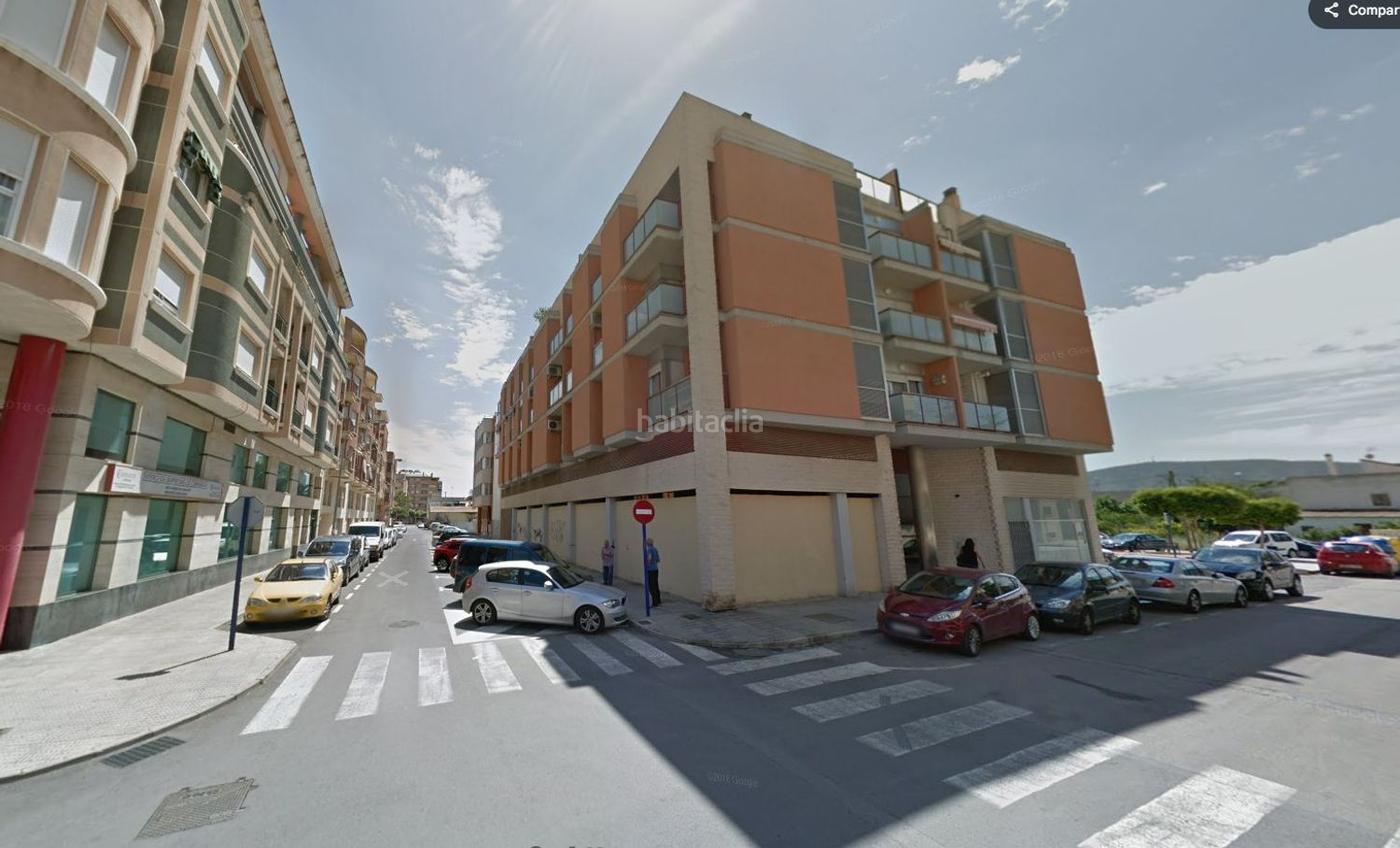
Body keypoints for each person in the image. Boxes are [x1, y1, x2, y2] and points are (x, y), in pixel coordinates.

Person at [644, 537, 661, 607]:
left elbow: (649, 558)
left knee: (651, 586)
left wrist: (647, 563)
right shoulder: (655, 549)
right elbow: (658, 560)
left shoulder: (649, 549)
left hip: (650, 570)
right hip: (656, 569)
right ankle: (658, 600)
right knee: (656, 585)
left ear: (647, 543)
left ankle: (655, 602)